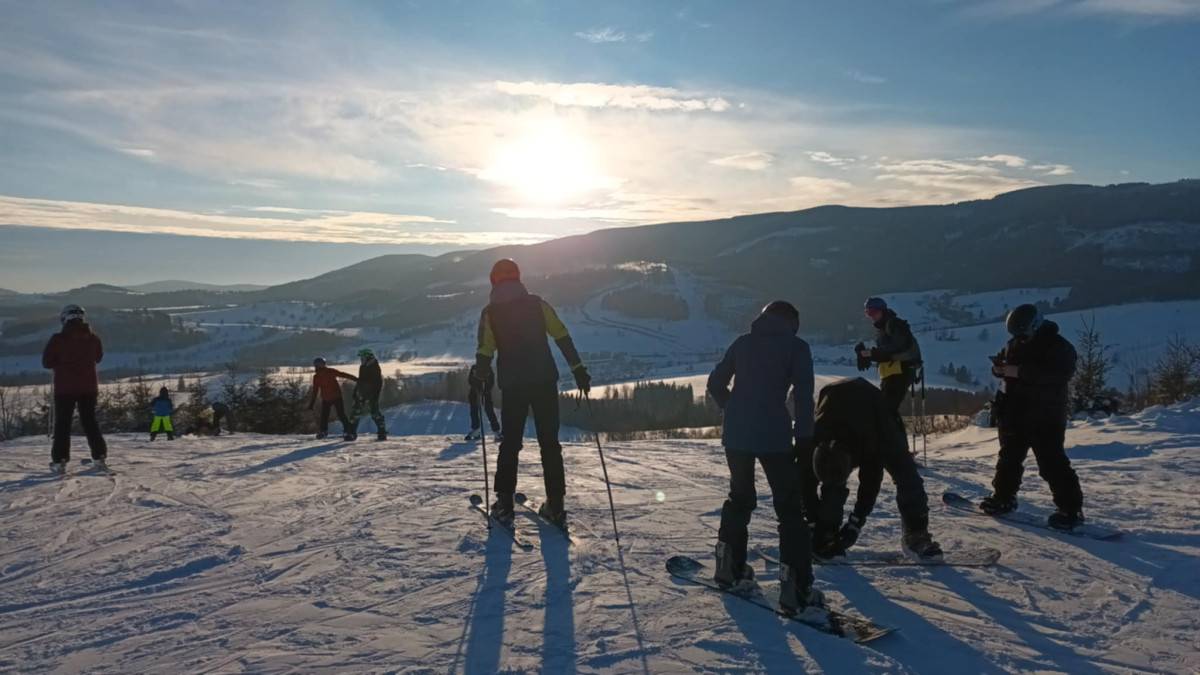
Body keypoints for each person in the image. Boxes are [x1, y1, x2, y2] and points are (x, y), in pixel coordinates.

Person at [707, 300, 822, 614]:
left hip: (736, 435)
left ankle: (728, 568)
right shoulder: (797, 347)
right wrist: (805, 439)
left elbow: (715, 384)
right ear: (792, 323)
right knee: (789, 509)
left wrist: (733, 408)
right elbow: (803, 395)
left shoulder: (742, 343)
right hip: (774, 436)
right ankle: (796, 588)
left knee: (739, 497)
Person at [474, 258, 591, 528]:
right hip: (544, 381)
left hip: (513, 385)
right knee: (550, 443)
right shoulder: (537, 304)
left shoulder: (490, 313)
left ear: (493, 281)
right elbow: (561, 335)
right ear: (518, 278)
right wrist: (578, 368)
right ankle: (556, 506)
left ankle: (504, 504)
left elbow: (485, 349)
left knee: (510, 444)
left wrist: (479, 375)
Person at [798, 377, 943, 561]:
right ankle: (827, 532)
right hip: (834, 404)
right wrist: (812, 522)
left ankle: (916, 534)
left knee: (907, 477)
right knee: (832, 486)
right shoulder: (812, 440)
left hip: (880, 417)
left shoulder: (873, 442)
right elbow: (803, 483)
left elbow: (870, 483)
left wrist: (856, 523)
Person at [980, 304, 1085, 530]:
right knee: (1009, 459)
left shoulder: (1059, 346)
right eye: (1017, 335)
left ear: (1036, 326)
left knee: (1052, 463)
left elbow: (1060, 375)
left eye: (1023, 333)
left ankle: (1070, 510)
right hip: (1016, 411)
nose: (1020, 338)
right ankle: (1003, 498)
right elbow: (1005, 360)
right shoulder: (1015, 343)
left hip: (1046, 415)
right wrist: (999, 369)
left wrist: (1020, 372)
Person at [42, 304, 108, 474]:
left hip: (64, 388)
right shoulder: (93, 339)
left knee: (63, 424)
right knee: (90, 422)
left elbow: (47, 362)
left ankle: (60, 461)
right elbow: (98, 358)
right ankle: (99, 457)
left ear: (64, 318)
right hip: (89, 387)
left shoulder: (57, 339)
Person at [857, 297, 922, 415]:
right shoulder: (883, 329)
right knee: (884, 409)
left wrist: (871, 353)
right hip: (891, 374)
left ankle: (891, 426)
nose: (871, 316)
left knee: (886, 410)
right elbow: (886, 355)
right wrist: (867, 355)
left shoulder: (895, 325)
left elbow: (897, 347)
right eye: (868, 313)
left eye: (873, 312)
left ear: (881, 310)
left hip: (901, 372)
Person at [308, 357, 358, 440]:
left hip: (334, 397)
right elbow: (315, 390)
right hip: (329, 397)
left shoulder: (327, 373)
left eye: (319, 364)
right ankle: (326, 431)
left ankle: (346, 430)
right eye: (317, 364)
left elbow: (343, 374)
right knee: (329, 415)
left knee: (337, 415)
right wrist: (312, 403)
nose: (318, 366)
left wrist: (356, 379)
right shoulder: (319, 376)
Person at [348, 348, 387, 441]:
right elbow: (360, 381)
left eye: (363, 357)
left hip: (371, 395)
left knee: (375, 413)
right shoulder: (362, 367)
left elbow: (378, 383)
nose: (361, 359)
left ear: (368, 357)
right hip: (360, 394)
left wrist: (376, 396)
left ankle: (382, 433)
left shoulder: (375, 367)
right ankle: (351, 433)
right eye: (361, 358)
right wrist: (355, 392)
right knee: (355, 413)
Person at [466, 364, 501, 442]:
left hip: (486, 392)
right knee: (474, 410)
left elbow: (492, 381)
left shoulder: (488, 368)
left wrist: (486, 390)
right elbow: (470, 380)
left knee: (489, 410)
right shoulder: (474, 367)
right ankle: (476, 430)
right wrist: (476, 387)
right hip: (474, 392)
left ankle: (496, 431)